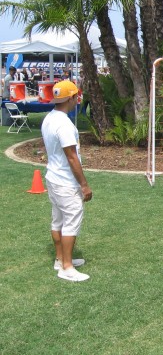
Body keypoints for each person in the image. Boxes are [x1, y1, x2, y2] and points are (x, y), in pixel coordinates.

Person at [41, 80, 93, 282]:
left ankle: (60, 259)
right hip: (65, 181)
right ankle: (67, 267)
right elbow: (71, 157)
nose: (77, 100)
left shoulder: (49, 118)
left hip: (53, 178)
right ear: (71, 98)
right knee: (71, 221)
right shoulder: (64, 125)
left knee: (58, 220)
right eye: (76, 97)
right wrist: (84, 185)